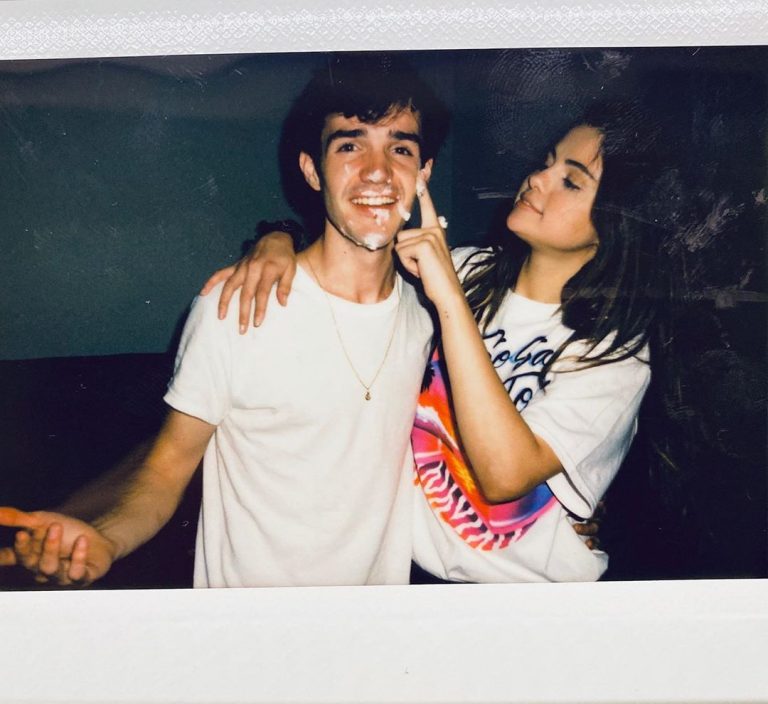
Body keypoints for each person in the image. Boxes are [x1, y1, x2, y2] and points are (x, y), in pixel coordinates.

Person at [0, 54, 450, 588]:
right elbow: (164, 469)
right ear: (312, 170)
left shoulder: (433, 316)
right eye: (349, 145)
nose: (377, 170)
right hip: (246, 629)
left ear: (423, 173)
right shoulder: (236, 307)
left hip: (378, 628)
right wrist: (107, 539)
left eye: (401, 148)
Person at [203, 102, 669, 582]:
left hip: (525, 595)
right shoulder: (468, 270)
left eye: (570, 181)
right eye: (546, 162)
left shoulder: (614, 354)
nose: (536, 178)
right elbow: (353, 247)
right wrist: (277, 238)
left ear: (618, 222)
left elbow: (505, 477)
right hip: (412, 575)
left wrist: (450, 299)